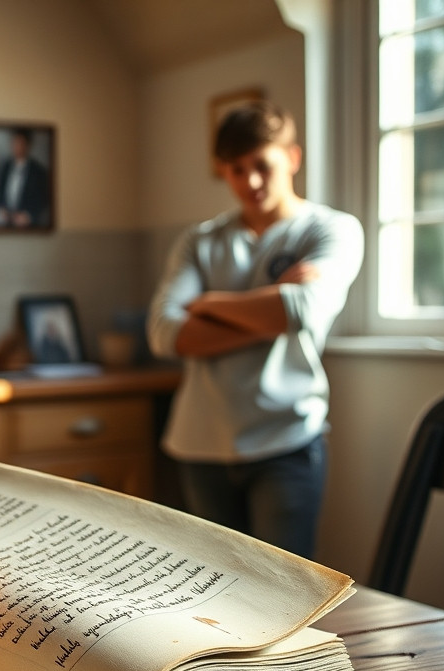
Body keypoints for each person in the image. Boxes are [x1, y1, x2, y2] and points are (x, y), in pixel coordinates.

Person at [146, 101, 363, 559]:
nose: (251, 182)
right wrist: (269, 311)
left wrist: (210, 304)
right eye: (236, 170)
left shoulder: (331, 230)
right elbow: (166, 334)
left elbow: (302, 308)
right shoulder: (200, 240)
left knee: (285, 597)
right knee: (211, 596)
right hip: (200, 446)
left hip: (287, 441)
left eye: (262, 165)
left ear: (293, 157)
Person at [0, 128, 50, 229]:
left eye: (20, 143)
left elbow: (43, 199)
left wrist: (29, 216)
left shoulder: (38, 171)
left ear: (27, 145)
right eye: (15, 143)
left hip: (27, 223)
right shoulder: (5, 167)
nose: (17, 147)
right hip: (5, 221)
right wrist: (1, 209)